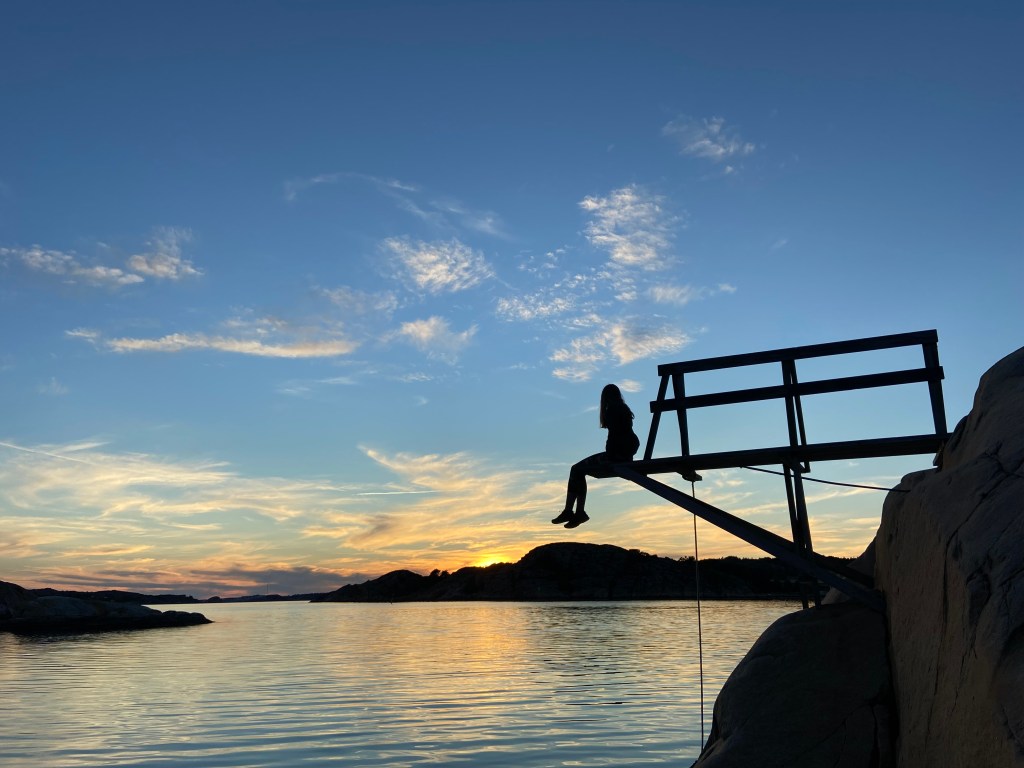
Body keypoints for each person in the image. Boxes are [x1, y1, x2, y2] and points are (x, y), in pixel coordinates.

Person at [553, 383, 640, 529]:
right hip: (623, 454)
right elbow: (630, 440)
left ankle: (572, 511)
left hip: (615, 455)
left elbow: (613, 437)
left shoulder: (612, 410)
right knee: (579, 470)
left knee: (576, 469)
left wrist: (611, 457)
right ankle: (575, 512)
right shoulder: (624, 409)